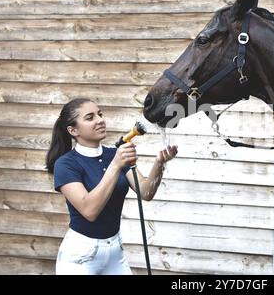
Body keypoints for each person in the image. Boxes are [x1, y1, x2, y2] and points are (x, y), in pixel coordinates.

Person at [45, 98, 178, 275]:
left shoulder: (113, 154)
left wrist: (159, 163)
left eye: (100, 114)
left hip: (115, 251)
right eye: (90, 117)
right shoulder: (66, 164)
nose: (100, 120)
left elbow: (145, 192)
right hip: (81, 256)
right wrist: (115, 165)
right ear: (73, 130)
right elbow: (89, 210)